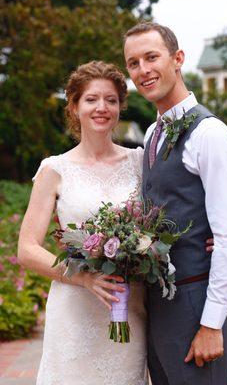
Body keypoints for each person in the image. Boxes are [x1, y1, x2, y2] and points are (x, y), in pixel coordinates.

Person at [123, 22, 227, 385]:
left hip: (197, 303)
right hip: (159, 303)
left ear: (177, 59)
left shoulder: (211, 135)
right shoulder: (151, 133)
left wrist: (211, 324)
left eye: (152, 57)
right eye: (133, 63)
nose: (143, 70)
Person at [18, 61, 148, 385]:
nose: (101, 108)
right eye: (91, 99)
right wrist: (85, 279)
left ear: (120, 107)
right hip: (74, 313)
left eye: (111, 100)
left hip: (128, 309)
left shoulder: (140, 162)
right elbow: (27, 249)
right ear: (74, 106)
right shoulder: (55, 169)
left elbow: (168, 220)